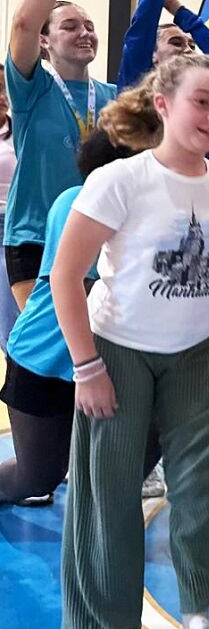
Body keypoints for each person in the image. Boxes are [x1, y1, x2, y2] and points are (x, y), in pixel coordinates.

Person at [51, 54, 209, 629]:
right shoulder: (121, 181)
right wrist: (87, 368)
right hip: (117, 352)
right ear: (164, 105)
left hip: (195, 355)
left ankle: (197, 610)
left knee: (206, 487)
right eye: (203, 103)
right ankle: (102, 620)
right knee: (110, 495)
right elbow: (65, 275)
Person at [0, 86, 163, 507]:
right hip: (47, 358)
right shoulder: (80, 200)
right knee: (35, 480)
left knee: (154, 435)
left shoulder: (156, 206)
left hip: (107, 363)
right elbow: (90, 291)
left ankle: (103, 508)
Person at [5, 0, 118, 310]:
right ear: (44, 40)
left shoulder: (113, 99)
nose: (84, 32)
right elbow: (22, 23)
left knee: (90, 350)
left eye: (89, 26)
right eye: (69, 26)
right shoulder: (31, 88)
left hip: (96, 236)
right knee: (44, 350)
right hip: (36, 235)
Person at [0, 79, 18, 349]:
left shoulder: (19, 131)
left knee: (8, 313)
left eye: (4, 88)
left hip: (9, 222)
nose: (2, 95)